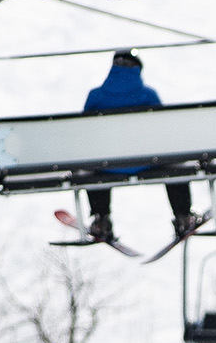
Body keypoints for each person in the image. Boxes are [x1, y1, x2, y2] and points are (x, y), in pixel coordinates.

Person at [79, 50, 195, 245]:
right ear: (138, 69)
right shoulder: (148, 95)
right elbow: (163, 131)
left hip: (107, 164)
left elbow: (86, 133)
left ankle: (101, 218)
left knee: (94, 164)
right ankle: (183, 215)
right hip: (148, 162)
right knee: (175, 166)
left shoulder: (96, 96)